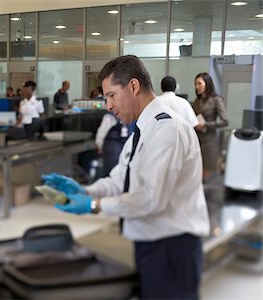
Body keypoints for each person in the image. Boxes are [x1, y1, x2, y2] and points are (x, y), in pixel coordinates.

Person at [44, 55, 210, 299]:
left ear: (133, 86)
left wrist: (93, 205)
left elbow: (150, 199)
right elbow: (120, 179)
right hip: (151, 244)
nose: (108, 105)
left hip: (172, 247)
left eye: (111, 95)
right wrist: (85, 191)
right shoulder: (143, 130)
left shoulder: (168, 130)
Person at [192, 72, 228, 181]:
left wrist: (206, 124)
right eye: (196, 84)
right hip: (196, 140)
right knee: (195, 173)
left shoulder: (216, 100)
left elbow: (224, 121)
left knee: (205, 176)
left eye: (199, 84)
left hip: (209, 141)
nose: (197, 87)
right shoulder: (196, 101)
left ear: (207, 84)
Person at [95, 111, 133, 177]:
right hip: (129, 154)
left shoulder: (110, 116)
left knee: (111, 176)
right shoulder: (134, 115)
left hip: (112, 154)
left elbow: (101, 135)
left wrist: (100, 146)